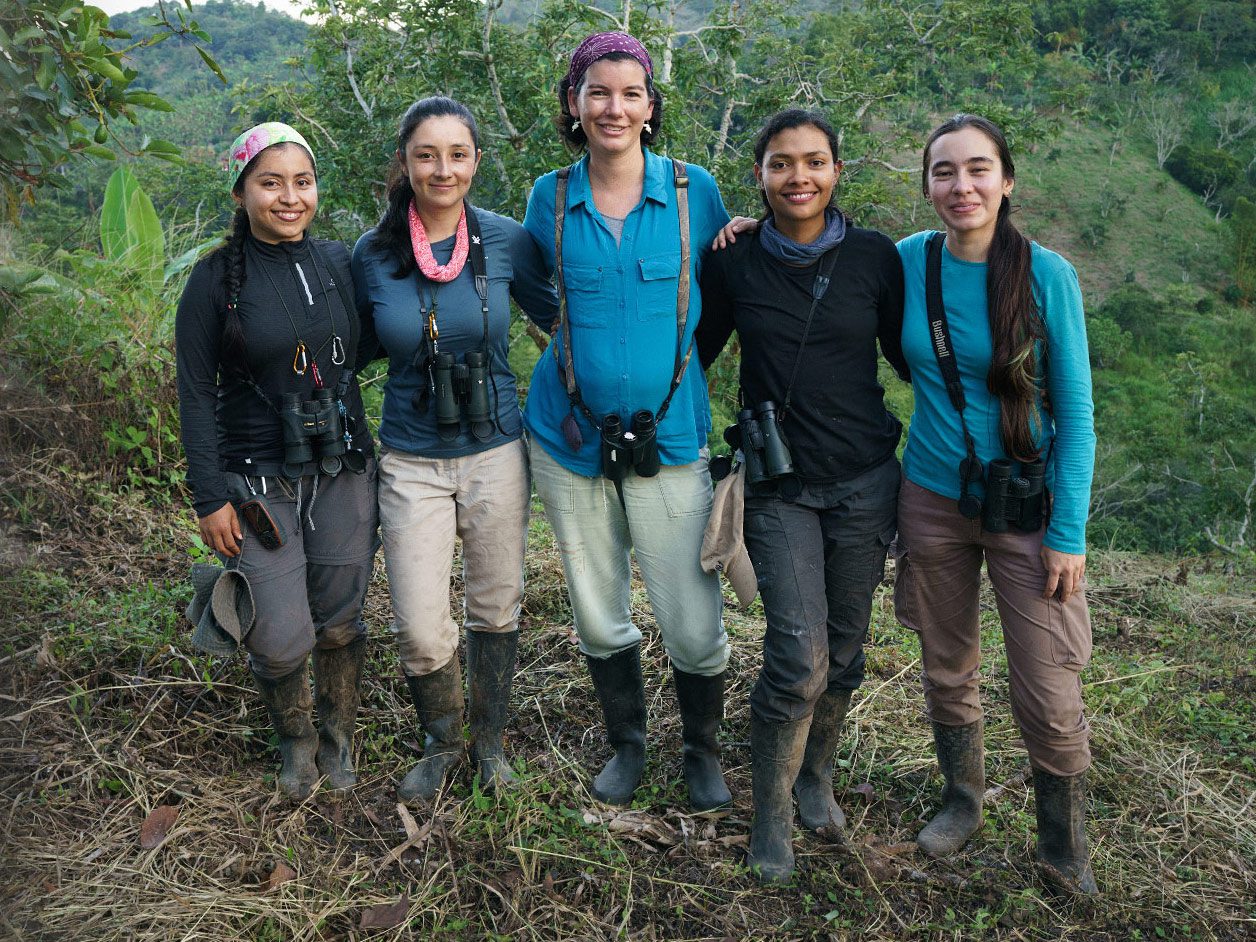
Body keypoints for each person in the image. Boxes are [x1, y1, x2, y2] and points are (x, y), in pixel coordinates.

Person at [521, 31, 733, 810]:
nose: (614, 107)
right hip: (569, 436)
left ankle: (702, 751)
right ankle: (628, 742)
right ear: (573, 104)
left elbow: (726, 291)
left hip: (671, 438)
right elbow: (529, 284)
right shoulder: (550, 196)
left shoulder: (691, 191)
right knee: (597, 606)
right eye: (597, 92)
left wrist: (674, 373)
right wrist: (574, 356)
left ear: (651, 106)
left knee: (692, 617)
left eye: (630, 93)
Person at [697, 109, 908, 883]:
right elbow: (697, 349)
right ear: (760, 174)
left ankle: (815, 777)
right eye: (781, 164)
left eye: (814, 162)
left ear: (837, 172)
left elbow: (907, 353)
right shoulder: (735, 258)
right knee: (797, 654)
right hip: (779, 484)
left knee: (846, 649)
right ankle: (771, 814)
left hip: (864, 481)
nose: (799, 178)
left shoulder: (876, 258)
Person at [894, 114, 1098, 896]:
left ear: (1007, 180)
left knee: (1048, 683)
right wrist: (742, 226)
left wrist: (1068, 533)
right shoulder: (909, 261)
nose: (961, 186)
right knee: (947, 663)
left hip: (1029, 507)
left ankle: (1061, 843)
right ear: (927, 186)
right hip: (934, 497)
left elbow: (1076, 416)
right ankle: (963, 799)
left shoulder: (1047, 274)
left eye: (978, 169)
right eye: (943, 172)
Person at [352, 97, 558, 801]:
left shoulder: (506, 240)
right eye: (427, 155)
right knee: (417, 621)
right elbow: (349, 348)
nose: (444, 169)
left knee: (497, 603)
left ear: (476, 160)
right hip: (411, 457)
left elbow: (562, 316)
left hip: (498, 449)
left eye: (458, 154)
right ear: (403, 163)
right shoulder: (373, 254)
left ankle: (490, 746)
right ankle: (441, 743)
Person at [176, 123, 377, 800]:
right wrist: (209, 496)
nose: (289, 198)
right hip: (257, 479)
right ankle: (294, 739)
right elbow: (195, 392)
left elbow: (368, 346)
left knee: (341, 614)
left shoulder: (337, 262)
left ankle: (336, 738)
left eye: (302, 181)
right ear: (240, 192)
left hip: (342, 467)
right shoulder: (211, 283)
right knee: (283, 635)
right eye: (270, 183)